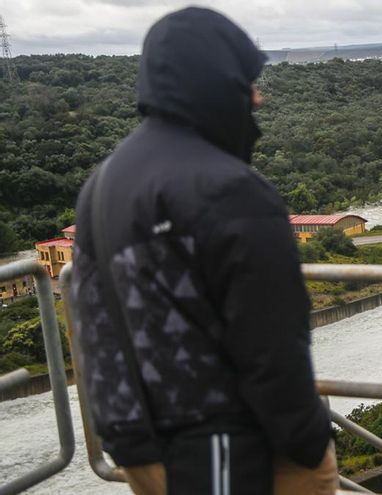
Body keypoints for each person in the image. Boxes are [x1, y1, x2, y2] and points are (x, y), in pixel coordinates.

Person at [70, 7, 335, 494]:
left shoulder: (102, 182)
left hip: (137, 443)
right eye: (246, 82)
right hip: (222, 443)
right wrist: (309, 440)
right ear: (215, 84)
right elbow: (274, 343)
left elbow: (94, 317)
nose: (257, 96)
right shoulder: (230, 189)